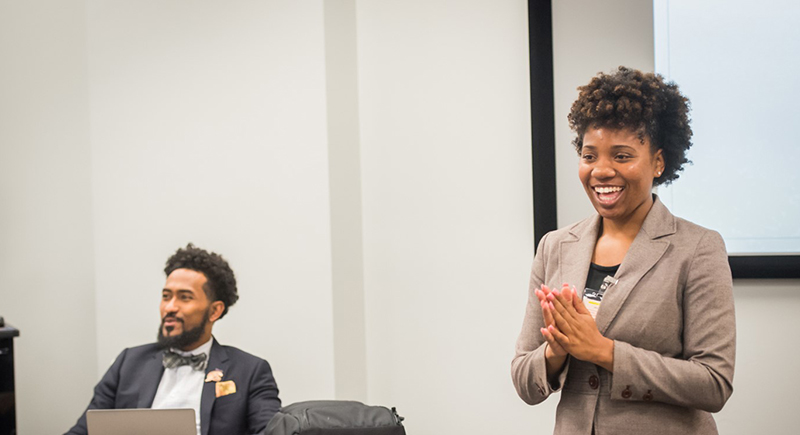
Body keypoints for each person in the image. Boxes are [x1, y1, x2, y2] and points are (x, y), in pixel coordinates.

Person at [511, 67, 735, 434]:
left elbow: (713, 383)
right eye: (589, 156)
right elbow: (524, 378)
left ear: (658, 162)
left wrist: (603, 350)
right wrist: (557, 352)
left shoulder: (698, 248)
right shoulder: (555, 246)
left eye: (622, 156)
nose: (601, 170)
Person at [66, 243, 281, 435]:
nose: (170, 307)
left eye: (185, 298)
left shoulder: (250, 371)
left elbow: (270, 431)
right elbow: (84, 430)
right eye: (166, 296)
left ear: (214, 311)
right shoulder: (128, 363)